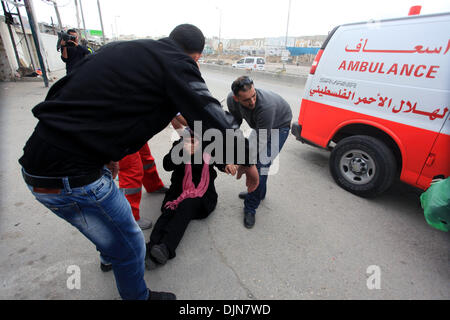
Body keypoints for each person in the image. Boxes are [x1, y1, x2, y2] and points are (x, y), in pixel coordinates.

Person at [19, 24, 258, 300]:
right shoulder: (176, 63)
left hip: (37, 165)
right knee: (132, 241)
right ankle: (137, 293)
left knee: (174, 208)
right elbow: (209, 114)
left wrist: (106, 153)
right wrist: (247, 163)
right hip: (74, 176)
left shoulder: (119, 50)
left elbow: (68, 93)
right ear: (196, 57)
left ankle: (116, 254)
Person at [146, 131, 237, 269]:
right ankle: (152, 247)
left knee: (186, 206)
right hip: (179, 188)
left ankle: (166, 248)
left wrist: (227, 166)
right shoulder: (181, 143)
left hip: (202, 193)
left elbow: (221, 161)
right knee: (169, 210)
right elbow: (166, 164)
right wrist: (182, 151)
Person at [227, 76, 292, 229]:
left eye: (254, 95)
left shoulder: (266, 106)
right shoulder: (231, 100)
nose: (252, 102)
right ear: (236, 98)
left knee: (260, 165)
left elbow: (260, 142)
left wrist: (241, 161)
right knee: (253, 162)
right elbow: (235, 124)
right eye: (246, 100)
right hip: (260, 127)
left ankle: (250, 208)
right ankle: (259, 193)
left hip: (279, 127)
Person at [118, 142, 169, 231]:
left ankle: (153, 186)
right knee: (131, 169)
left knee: (144, 156)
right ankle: (130, 218)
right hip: (121, 133)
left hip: (132, 130)